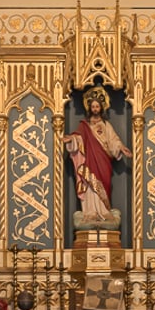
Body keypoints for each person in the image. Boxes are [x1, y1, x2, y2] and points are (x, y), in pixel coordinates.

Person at [64, 85, 132, 225]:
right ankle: (90, 212)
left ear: (101, 108)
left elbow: (114, 140)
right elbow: (79, 138)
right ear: (90, 108)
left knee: (103, 186)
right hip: (89, 161)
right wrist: (71, 139)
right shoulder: (85, 125)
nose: (95, 109)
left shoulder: (106, 125)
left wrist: (121, 148)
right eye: (93, 106)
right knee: (89, 186)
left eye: (97, 106)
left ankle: (103, 211)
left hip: (103, 161)